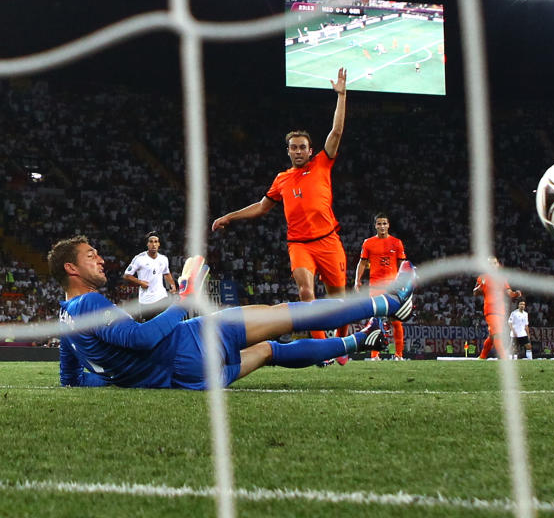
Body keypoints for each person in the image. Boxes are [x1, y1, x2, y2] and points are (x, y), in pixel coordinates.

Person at [49, 235, 416, 389]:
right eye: (90, 255)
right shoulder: (89, 303)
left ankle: (359, 341)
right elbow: (142, 338)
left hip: (189, 381)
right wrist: (187, 298)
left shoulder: (66, 317)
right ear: (71, 269)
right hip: (190, 345)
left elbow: (72, 380)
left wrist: (124, 378)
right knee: (287, 314)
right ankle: (388, 303)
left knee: (270, 350)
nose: (99, 259)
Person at [212, 67, 349, 356]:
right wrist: (229, 216)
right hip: (299, 243)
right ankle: (322, 348)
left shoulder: (322, 165)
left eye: (302, 147)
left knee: (341, 301)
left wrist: (341, 95)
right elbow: (262, 207)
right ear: (288, 151)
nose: (298, 151)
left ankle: (341, 341)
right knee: (306, 293)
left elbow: (336, 131)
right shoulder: (281, 179)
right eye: (293, 148)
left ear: (311, 151)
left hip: (328, 240)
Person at [354, 212, 408, 361]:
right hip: (375, 286)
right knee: (376, 321)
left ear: (388, 225)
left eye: (384, 223)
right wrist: (357, 281)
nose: (382, 226)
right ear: (375, 225)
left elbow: (402, 264)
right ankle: (374, 355)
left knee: (396, 320)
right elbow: (362, 262)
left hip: (393, 286)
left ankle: (399, 355)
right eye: (379, 223)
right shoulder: (368, 243)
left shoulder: (397, 243)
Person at [473, 257, 521, 360]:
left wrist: (515, 294)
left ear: (498, 265)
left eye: (494, 263)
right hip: (490, 310)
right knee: (497, 334)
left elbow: (509, 293)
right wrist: (479, 288)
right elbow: (475, 292)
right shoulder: (482, 278)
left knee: (492, 336)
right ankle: (504, 358)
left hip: (501, 311)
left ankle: (482, 357)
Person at [122, 231, 177, 321]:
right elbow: (126, 275)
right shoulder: (139, 258)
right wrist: (140, 282)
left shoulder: (163, 259)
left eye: (156, 242)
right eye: (151, 242)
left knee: (165, 323)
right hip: (146, 301)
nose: (153, 244)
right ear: (147, 244)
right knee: (150, 329)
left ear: (159, 244)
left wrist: (173, 285)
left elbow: (166, 273)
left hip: (161, 297)